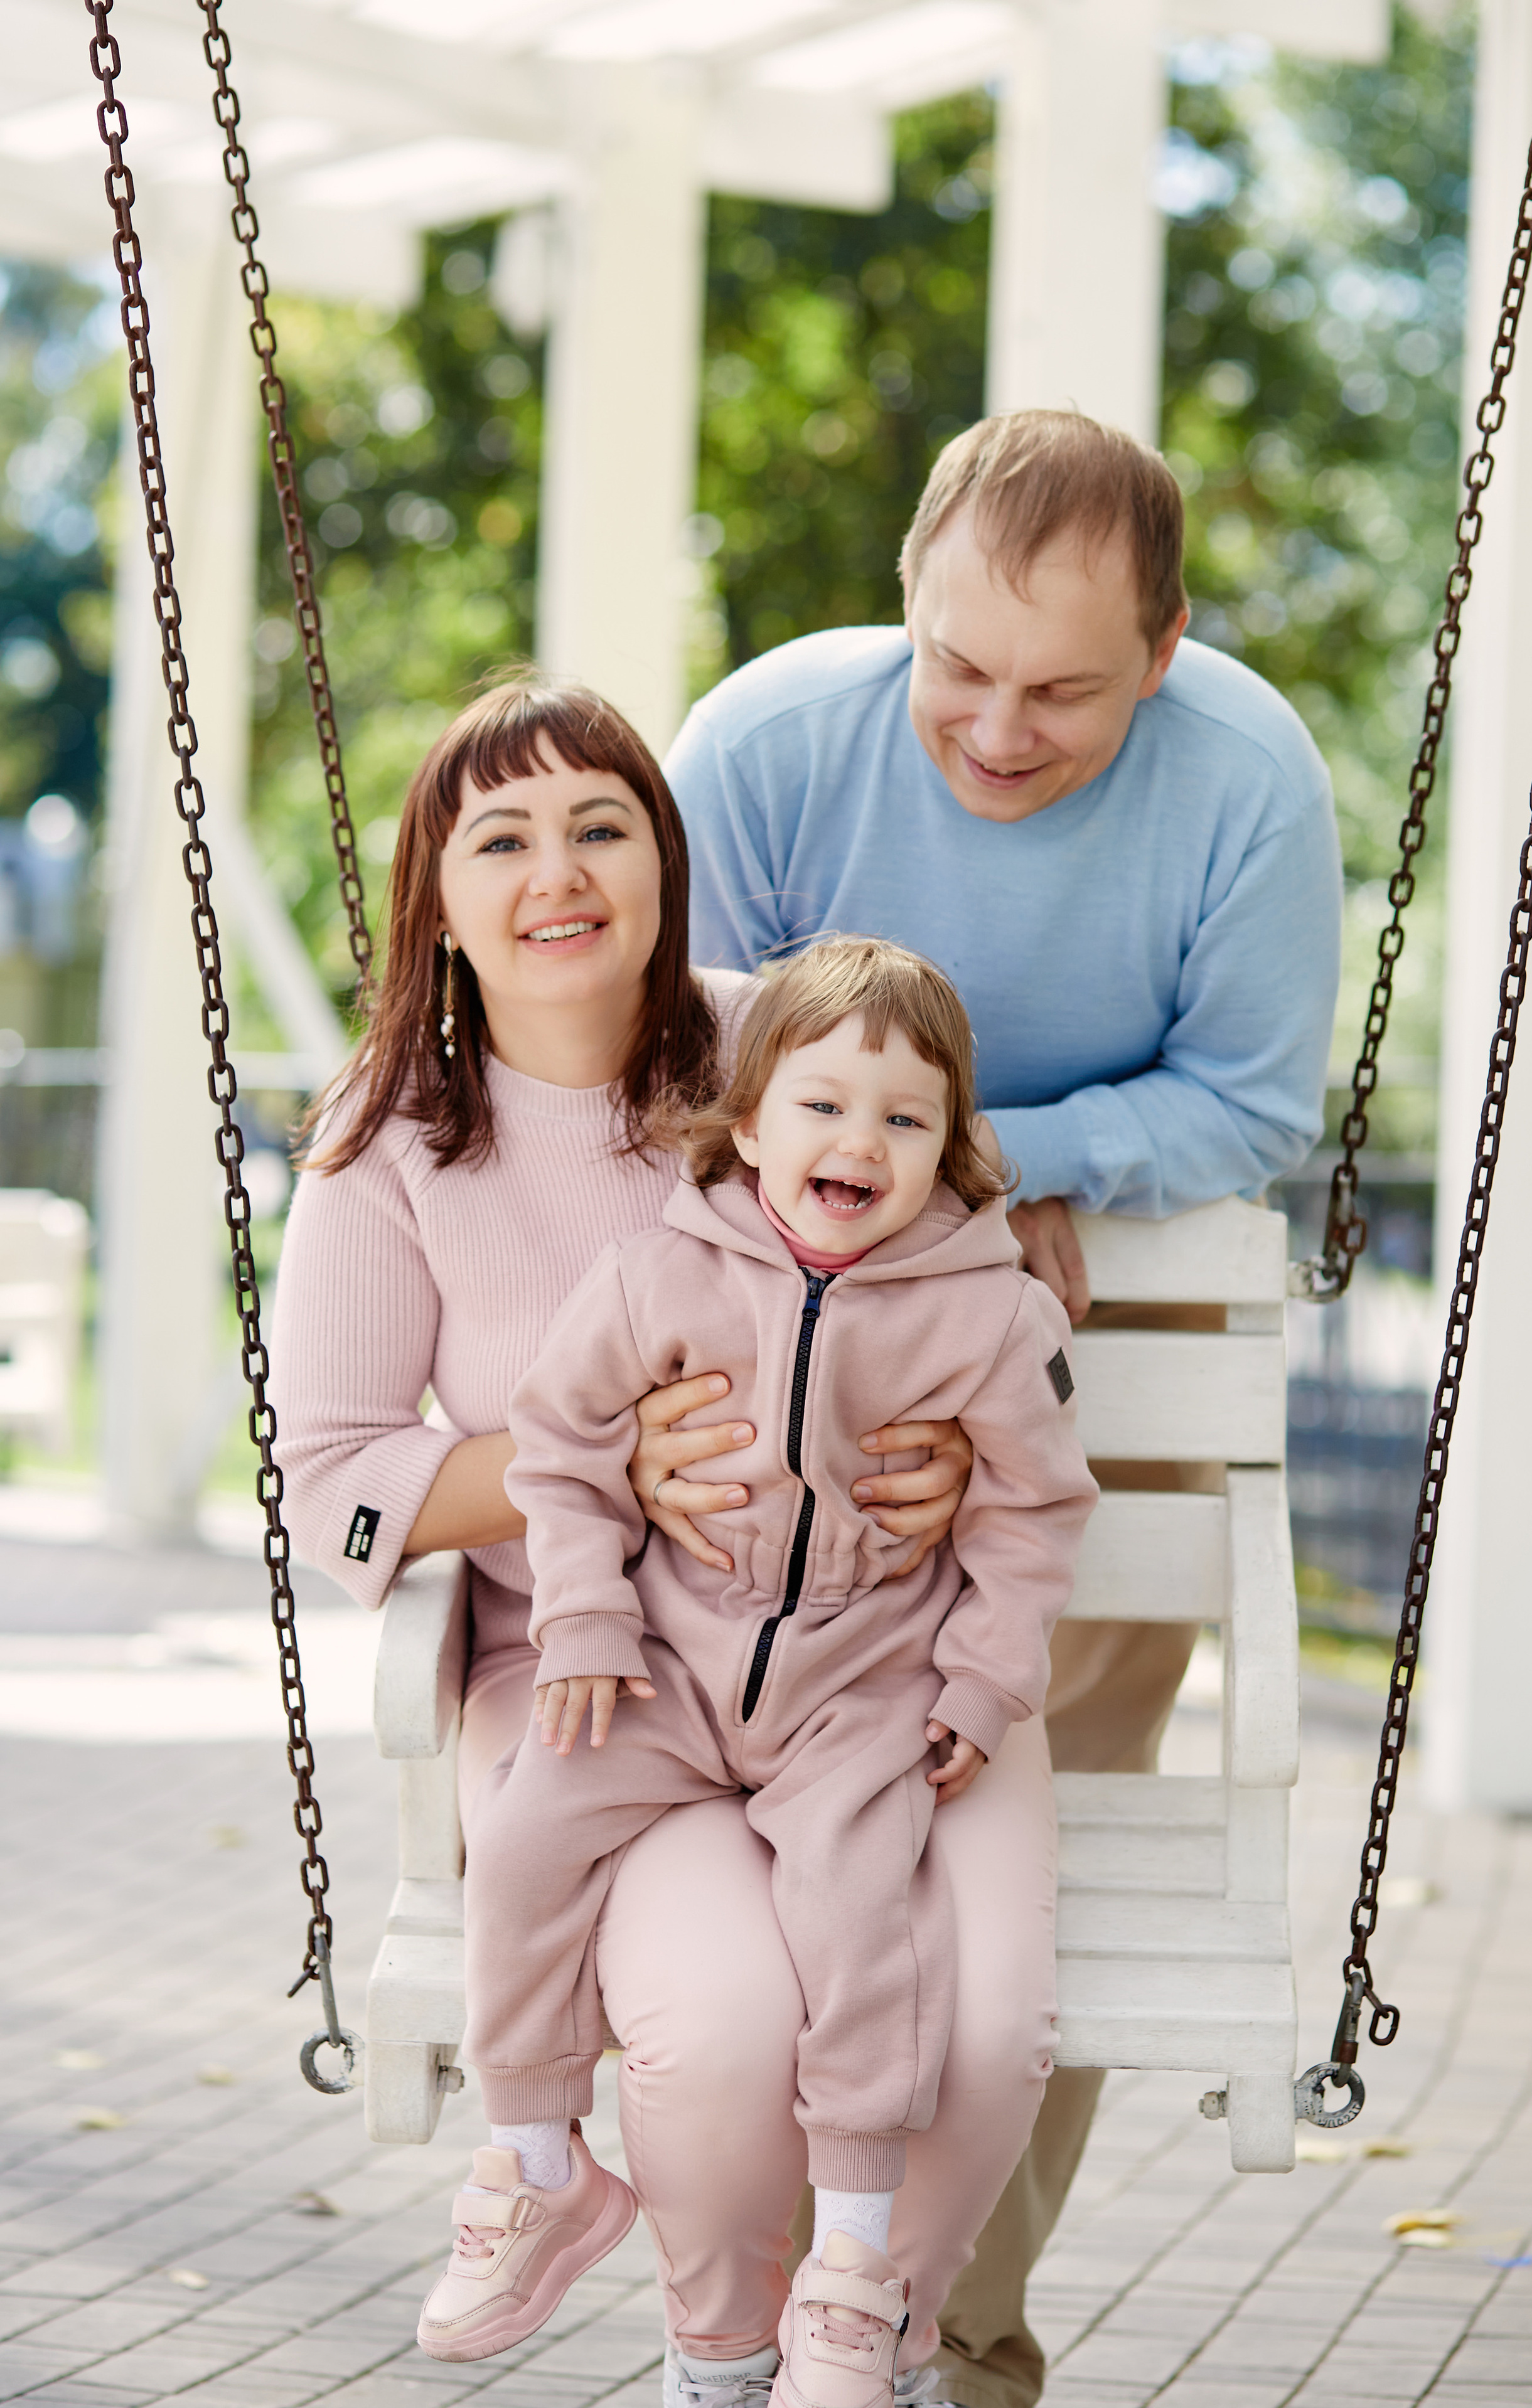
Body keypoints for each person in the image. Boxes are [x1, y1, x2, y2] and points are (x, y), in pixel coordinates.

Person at [662, 409, 1343, 2408]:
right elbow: (680, 1073)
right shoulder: (773, 742)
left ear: (1166, 641)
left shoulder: (1247, 781)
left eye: (1065, 687)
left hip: (1108, 1346)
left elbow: (1249, 1094)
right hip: (795, 1332)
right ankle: (755, 2303)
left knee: (1023, 1857)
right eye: (959, 666)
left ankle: (940, 2329)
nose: (996, 728)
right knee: (783, 1827)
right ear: (904, 593)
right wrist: (944, 1197)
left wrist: (1008, 1159)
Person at [272, 678, 1054, 2405]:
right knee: (718, 2026)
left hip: (879, 1656)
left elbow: (977, 1256)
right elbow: (329, 1479)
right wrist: (601, 1463)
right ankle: (721, 2356)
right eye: (503, 837)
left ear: (662, 855)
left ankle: (883, 2350)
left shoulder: (784, 1046)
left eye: (600, 822)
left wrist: (940, 1454)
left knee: (986, 2023)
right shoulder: (391, 1142)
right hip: (591, 1680)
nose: (560, 871)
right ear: (439, 897)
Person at [437, 936, 1097, 2391]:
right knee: (526, 1824)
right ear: (748, 1124)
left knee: (863, 1923)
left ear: (951, 1149)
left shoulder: (987, 1311)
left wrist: (981, 1683)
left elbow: (1034, 1512)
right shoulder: (660, 1268)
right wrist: (587, 1616)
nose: (858, 1140)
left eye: (904, 1117)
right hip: (664, 1667)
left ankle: (853, 2259)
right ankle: (533, 2154)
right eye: (820, 1104)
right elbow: (561, 1449)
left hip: (857, 1694)